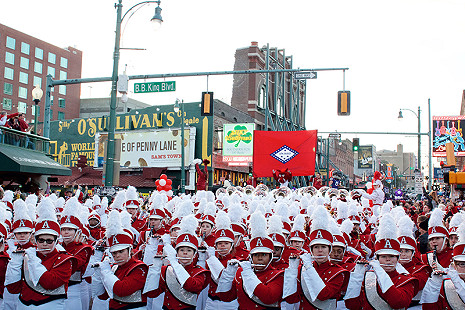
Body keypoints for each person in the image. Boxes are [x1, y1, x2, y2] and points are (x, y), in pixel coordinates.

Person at [5, 197, 76, 309]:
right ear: (35, 240)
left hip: (51, 305)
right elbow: (12, 288)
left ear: (56, 241)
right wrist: (15, 262)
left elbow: (50, 283)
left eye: (49, 241)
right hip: (23, 305)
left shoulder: (64, 259)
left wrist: (32, 259)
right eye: (41, 240)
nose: (44, 244)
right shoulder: (27, 256)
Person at [344, 213, 419, 309]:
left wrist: (380, 273)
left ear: (397, 258)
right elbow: (352, 305)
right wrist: (357, 276)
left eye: (391, 256)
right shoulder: (368, 278)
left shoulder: (407, 280)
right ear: (377, 258)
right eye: (383, 256)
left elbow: (398, 303)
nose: (388, 259)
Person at [284, 205, 349, 309]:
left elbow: (323, 295)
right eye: (316, 247)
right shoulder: (302, 269)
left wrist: (309, 267)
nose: (319, 250)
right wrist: (292, 270)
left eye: (323, 247)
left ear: (329, 250)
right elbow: (291, 298)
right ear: (311, 250)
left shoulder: (338, 272)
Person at [216, 211, 284, 309]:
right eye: (256, 255)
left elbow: (269, 297)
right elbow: (226, 297)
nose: (260, 258)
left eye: (264, 255)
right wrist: (229, 274)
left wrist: (248, 273)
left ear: (270, 257)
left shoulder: (277, 275)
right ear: (251, 257)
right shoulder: (240, 273)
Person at [144, 214, 210, 309]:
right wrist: (155, 267)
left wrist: (174, 263)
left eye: (189, 250)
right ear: (177, 252)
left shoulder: (199, 272)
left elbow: (190, 285)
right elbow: (152, 293)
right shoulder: (166, 270)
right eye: (182, 250)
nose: (185, 253)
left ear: (195, 254)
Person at [93, 210, 148, 310]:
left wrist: (106, 272)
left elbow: (122, 290)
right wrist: (98, 275)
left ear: (130, 250)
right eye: (114, 253)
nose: (117, 256)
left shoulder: (139, 267)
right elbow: (102, 295)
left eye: (121, 251)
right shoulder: (114, 268)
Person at [421, 221, 465, 309]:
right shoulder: (425, 257)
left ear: (445, 241)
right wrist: (434, 284)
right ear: (454, 266)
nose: (434, 242)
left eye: (437, 238)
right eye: (462, 264)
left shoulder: (452, 253)